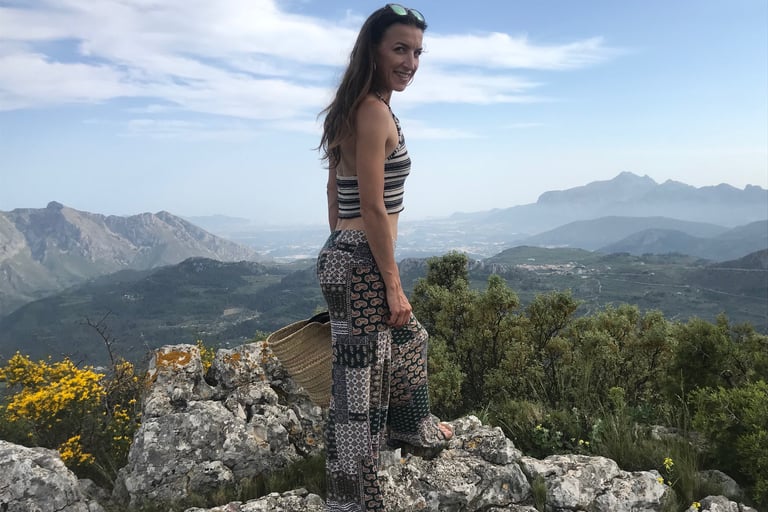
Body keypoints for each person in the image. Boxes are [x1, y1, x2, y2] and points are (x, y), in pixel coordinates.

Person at [316, 4, 452, 511]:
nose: (410, 62)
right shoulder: (372, 111)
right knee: (358, 389)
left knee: (407, 342)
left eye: (417, 52)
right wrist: (390, 282)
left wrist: (339, 247)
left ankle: (410, 427)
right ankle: (354, 499)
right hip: (362, 261)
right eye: (400, 49)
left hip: (346, 255)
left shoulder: (354, 107)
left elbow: (334, 192)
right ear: (372, 50)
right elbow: (372, 206)